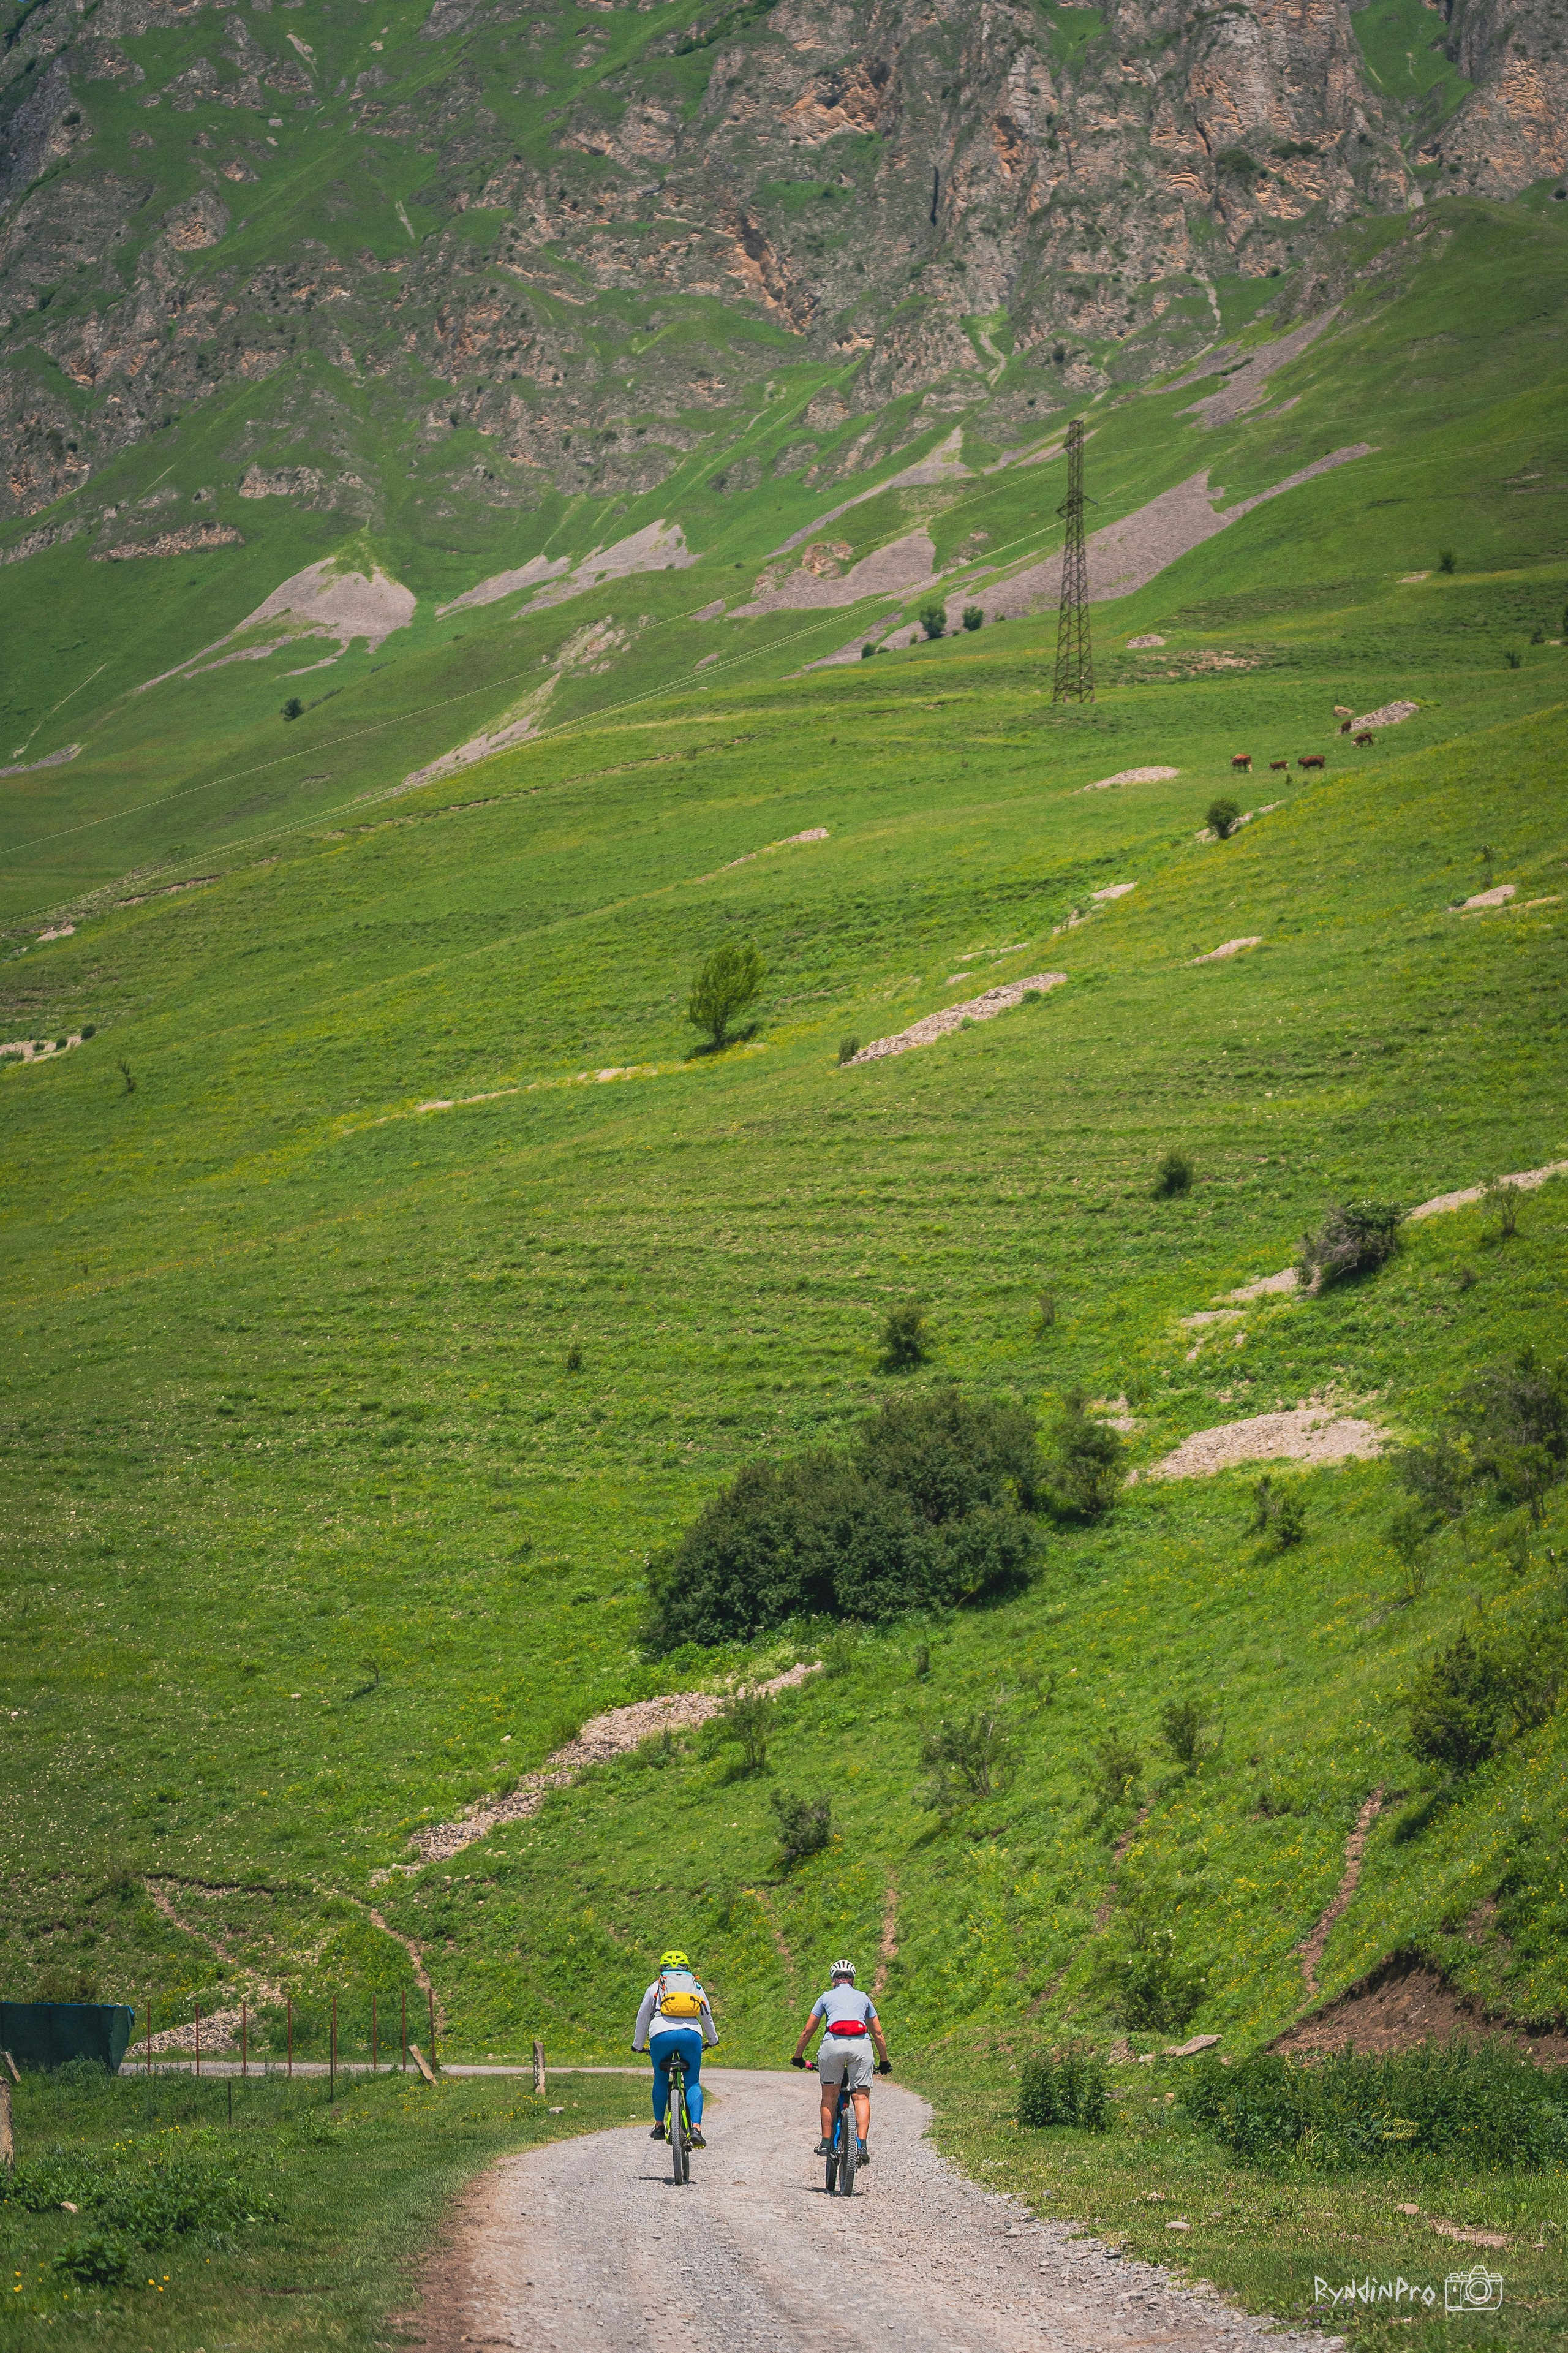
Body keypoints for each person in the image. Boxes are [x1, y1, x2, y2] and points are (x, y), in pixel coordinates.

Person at [790, 1958, 891, 2166]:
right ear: (852, 1980)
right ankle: (861, 2146)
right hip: (861, 2047)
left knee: (830, 2095)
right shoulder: (864, 1998)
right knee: (861, 2098)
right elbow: (878, 2034)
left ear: (833, 1980)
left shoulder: (825, 1997)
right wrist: (884, 2061)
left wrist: (798, 2057)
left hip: (832, 2046)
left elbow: (808, 2030)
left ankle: (826, 2143)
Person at [633, 1948, 719, 2149]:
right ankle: (696, 2129)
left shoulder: (656, 1986)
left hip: (662, 2033)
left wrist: (638, 2045)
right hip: (691, 2034)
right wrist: (713, 2040)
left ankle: (660, 2125)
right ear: (687, 1968)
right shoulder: (695, 1986)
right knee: (693, 2083)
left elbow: (643, 2015)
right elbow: (706, 2014)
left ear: (662, 1968)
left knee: (660, 2080)